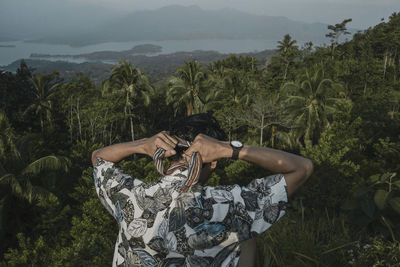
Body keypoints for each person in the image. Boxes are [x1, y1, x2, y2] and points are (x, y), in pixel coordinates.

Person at [91, 113, 313, 267]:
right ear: (213, 162)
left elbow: (98, 157)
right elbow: (302, 168)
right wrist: (229, 149)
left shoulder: (129, 196)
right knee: (246, 236)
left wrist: (142, 145)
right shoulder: (230, 205)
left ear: (167, 154)